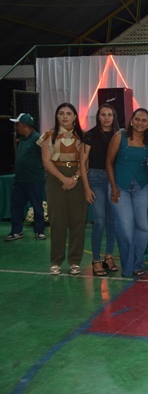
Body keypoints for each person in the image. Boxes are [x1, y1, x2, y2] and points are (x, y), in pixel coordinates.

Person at [37, 103, 87, 275]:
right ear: (57, 116)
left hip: (78, 179)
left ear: (75, 116)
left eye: (68, 113)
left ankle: (75, 261)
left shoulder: (83, 136)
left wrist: (74, 178)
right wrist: (63, 178)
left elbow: (86, 162)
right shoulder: (48, 135)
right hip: (55, 179)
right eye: (61, 113)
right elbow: (46, 161)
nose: (65, 116)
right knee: (57, 221)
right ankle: (56, 261)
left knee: (78, 221)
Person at [106, 108, 148, 277]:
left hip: (142, 187)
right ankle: (127, 266)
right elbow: (109, 162)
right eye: (137, 119)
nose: (140, 122)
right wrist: (113, 187)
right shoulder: (119, 137)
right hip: (120, 188)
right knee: (126, 228)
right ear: (131, 121)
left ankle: (137, 264)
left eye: (144, 120)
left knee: (143, 227)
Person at [79, 104, 120, 276]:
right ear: (98, 116)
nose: (106, 118)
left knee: (112, 221)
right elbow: (82, 163)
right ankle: (96, 260)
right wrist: (86, 187)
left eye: (110, 114)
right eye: (103, 114)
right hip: (96, 179)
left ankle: (108, 257)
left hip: (114, 179)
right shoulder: (90, 135)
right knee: (100, 221)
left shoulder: (119, 135)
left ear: (114, 117)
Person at [6, 113, 46, 242]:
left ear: (24, 125)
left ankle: (39, 231)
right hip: (20, 181)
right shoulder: (22, 139)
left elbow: (46, 155)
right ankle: (16, 231)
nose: (16, 127)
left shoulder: (37, 138)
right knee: (16, 206)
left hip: (34, 180)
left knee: (37, 205)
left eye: (18, 125)